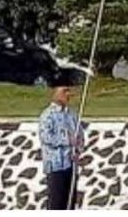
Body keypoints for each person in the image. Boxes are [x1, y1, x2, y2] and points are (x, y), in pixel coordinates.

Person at [38, 73, 84, 210]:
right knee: (57, 204)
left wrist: (78, 149)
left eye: (68, 91)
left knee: (70, 203)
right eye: (64, 91)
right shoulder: (47, 115)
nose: (68, 94)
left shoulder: (72, 115)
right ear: (55, 92)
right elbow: (46, 137)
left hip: (71, 165)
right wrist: (67, 140)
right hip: (56, 166)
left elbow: (80, 135)